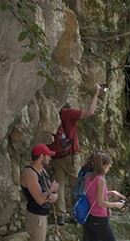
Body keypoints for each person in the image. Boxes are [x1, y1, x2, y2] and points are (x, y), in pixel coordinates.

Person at [50, 84, 105, 225]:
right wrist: (96, 94)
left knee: (60, 186)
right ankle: (77, 214)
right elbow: (90, 112)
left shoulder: (52, 114)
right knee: (77, 185)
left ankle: (61, 216)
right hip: (70, 156)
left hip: (55, 156)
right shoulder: (67, 113)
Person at [20, 144, 60, 241]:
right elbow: (39, 198)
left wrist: (52, 194)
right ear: (41, 157)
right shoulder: (30, 173)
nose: (50, 158)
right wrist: (51, 191)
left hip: (42, 214)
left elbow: (48, 193)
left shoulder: (41, 172)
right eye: (48, 155)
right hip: (35, 216)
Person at [83, 151, 126, 241]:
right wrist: (116, 205)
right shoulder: (101, 179)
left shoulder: (89, 177)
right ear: (104, 165)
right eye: (109, 166)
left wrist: (111, 193)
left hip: (89, 217)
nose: (109, 169)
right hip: (99, 217)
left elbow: (92, 194)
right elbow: (101, 202)